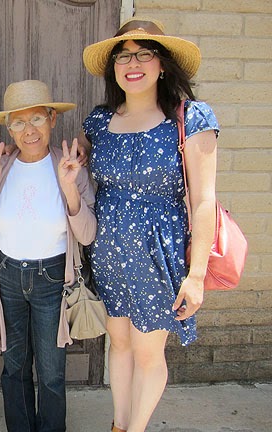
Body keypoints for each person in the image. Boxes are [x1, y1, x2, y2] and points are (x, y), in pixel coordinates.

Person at [79, 18, 219, 432]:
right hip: (108, 253)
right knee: (119, 345)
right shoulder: (99, 122)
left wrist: (197, 276)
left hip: (158, 254)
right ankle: (118, 425)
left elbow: (204, 201)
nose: (133, 63)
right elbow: (82, 177)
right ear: (113, 68)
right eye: (124, 56)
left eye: (145, 53)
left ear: (162, 65)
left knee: (147, 353)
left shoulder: (190, 117)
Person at [0, 80, 97, 432]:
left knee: (52, 371)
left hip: (52, 278)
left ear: (52, 119)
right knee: (14, 366)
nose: (29, 130)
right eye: (19, 122)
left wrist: (70, 189)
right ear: (9, 128)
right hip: (8, 276)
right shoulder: (1, 165)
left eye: (37, 118)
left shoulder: (69, 167)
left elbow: (87, 235)